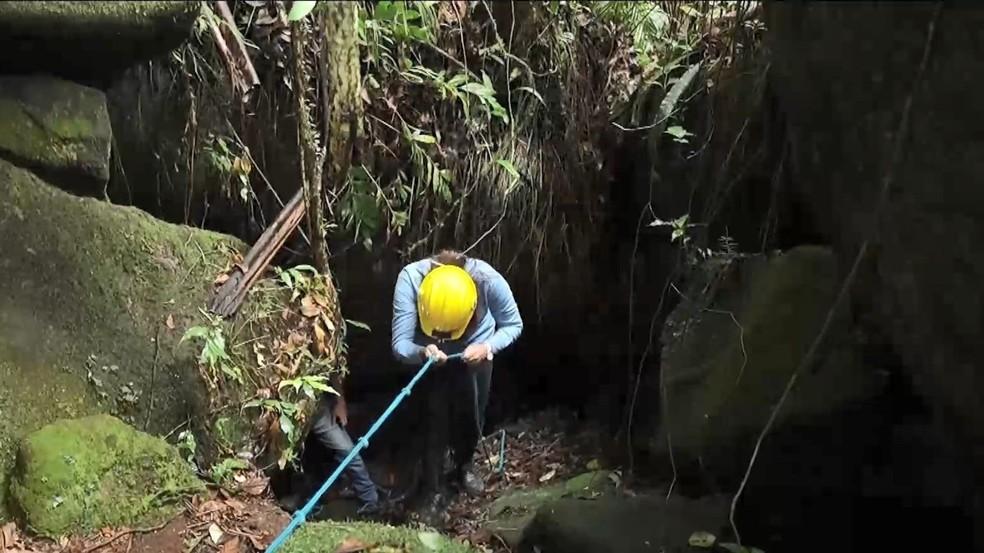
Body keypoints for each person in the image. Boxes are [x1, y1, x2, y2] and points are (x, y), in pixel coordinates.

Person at [391, 249, 523, 522]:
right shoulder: (411, 281)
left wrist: (487, 346)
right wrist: (421, 352)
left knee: (473, 415)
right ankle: (432, 486)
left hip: (477, 356)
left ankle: (464, 465)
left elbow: (512, 324)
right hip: (431, 360)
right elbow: (400, 344)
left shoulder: (487, 280)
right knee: (434, 419)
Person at [280, 377, 384, 518]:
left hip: (316, 409)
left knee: (348, 452)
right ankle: (301, 502)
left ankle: (371, 502)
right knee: (293, 459)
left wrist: (340, 403)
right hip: (287, 411)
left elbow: (335, 370)